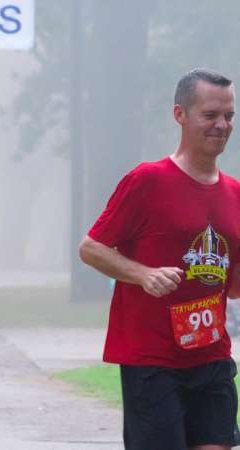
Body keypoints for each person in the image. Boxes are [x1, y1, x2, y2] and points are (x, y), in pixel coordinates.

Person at [79, 69, 240, 450]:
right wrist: (143, 274)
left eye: (229, 116)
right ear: (180, 114)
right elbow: (91, 247)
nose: (222, 125)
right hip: (152, 360)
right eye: (210, 115)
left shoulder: (235, 193)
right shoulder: (148, 180)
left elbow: (233, 288)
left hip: (211, 354)